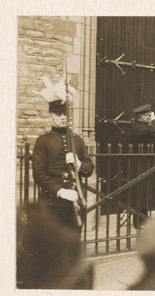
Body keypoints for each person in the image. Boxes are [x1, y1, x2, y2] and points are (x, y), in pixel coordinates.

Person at [32, 78, 94, 231]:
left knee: (73, 243)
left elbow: (89, 168)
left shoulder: (77, 140)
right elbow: (38, 174)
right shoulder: (43, 141)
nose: (63, 117)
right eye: (58, 114)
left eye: (65, 114)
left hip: (75, 202)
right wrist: (60, 191)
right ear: (51, 115)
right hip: (52, 202)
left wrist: (79, 164)